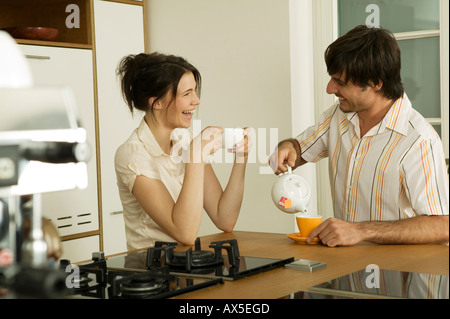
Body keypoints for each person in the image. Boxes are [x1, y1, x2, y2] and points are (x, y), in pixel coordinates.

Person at [269, 25, 449, 247]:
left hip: (397, 274)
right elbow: (300, 148)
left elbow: (442, 225)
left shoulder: (419, 140)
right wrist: (287, 147)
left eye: (340, 82)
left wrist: (361, 231)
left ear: (375, 83)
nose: (329, 88)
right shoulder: (338, 116)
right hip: (346, 268)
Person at [115, 52, 251, 250]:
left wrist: (241, 156)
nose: (196, 100)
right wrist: (196, 155)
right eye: (187, 94)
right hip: (149, 272)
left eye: (195, 92)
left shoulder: (185, 140)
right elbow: (185, 233)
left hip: (185, 266)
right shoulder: (132, 154)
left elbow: (225, 218)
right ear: (157, 102)